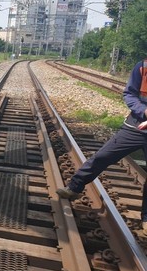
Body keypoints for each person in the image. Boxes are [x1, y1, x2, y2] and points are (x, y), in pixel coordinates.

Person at [57, 59, 147, 233]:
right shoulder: (142, 67)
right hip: (136, 125)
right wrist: (143, 111)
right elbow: (130, 94)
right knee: (103, 156)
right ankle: (75, 187)